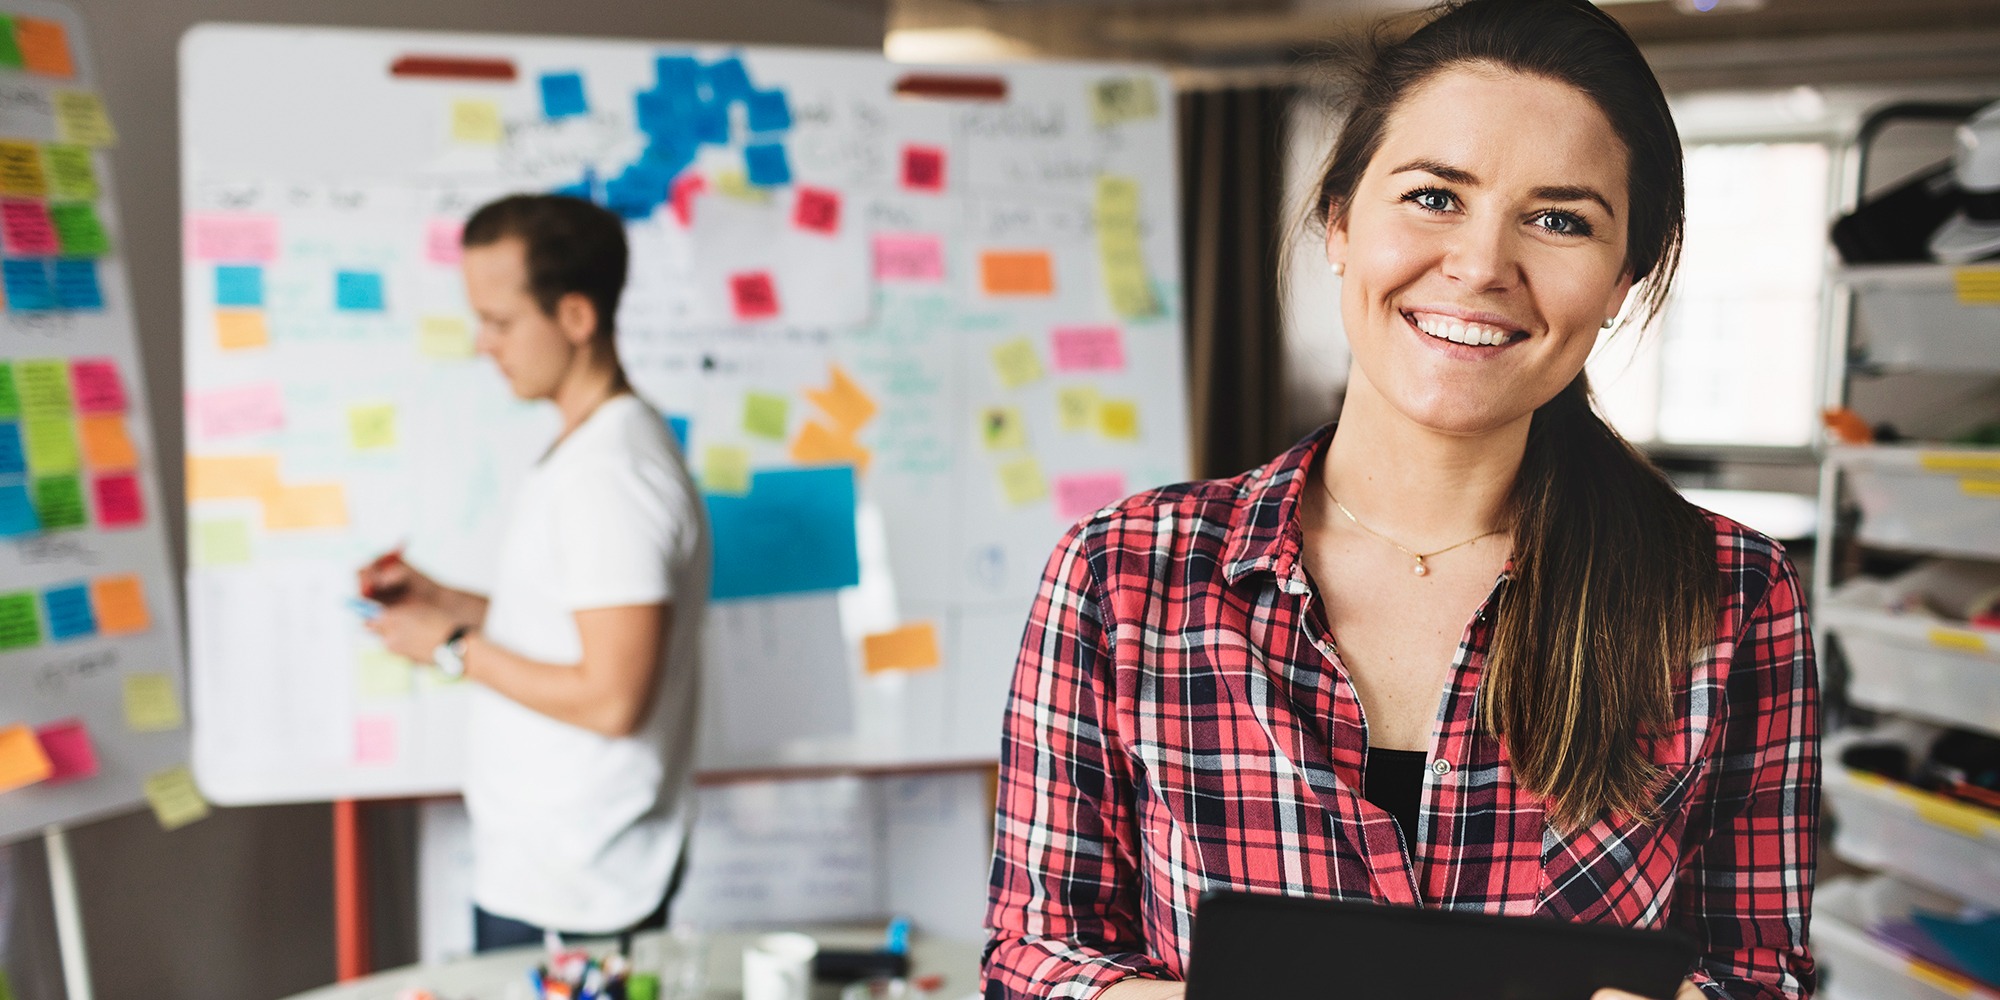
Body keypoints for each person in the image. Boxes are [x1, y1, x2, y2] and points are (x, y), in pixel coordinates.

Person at [982, 2, 1819, 998]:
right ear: (1338, 222)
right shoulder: (1120, 575)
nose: (1478, 266)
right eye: (1432, 196)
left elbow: (1757, 971)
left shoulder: (1729, 596)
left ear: (1622, 280)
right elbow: (1031, 960)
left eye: (1558, 220)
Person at [359, 194, 710, 951]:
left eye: (501, 320)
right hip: (556, 868)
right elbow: (572, 620)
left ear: (577, 318)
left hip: (582, 882)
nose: (483, 343)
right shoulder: (590, 450)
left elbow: (614, 697)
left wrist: (450, 644)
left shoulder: (610, 475)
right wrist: (442, 601)